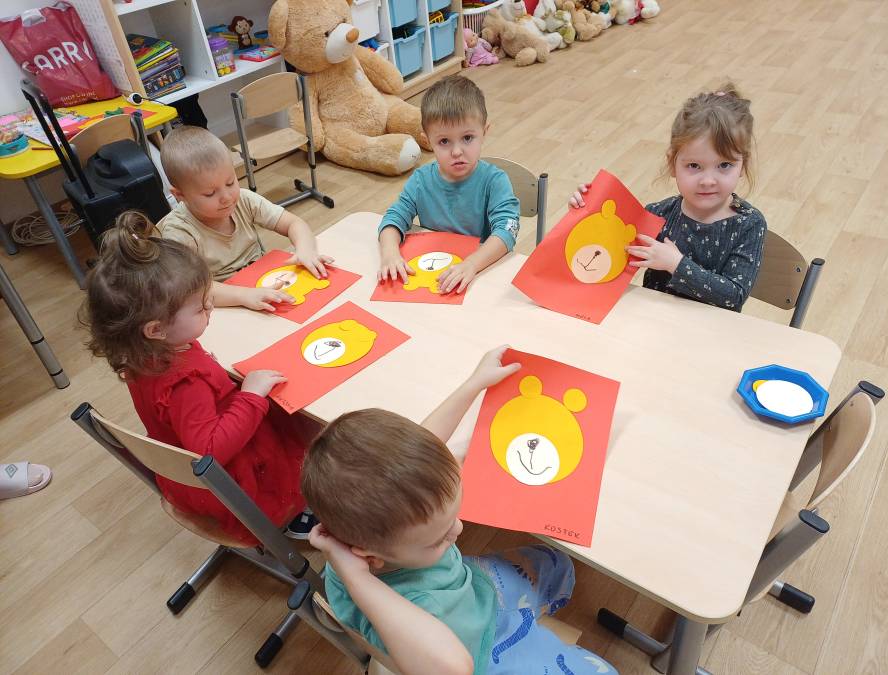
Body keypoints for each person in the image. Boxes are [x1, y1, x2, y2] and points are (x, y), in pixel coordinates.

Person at [302, 347, 618, 675]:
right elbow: (454, 668)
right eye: (438, 539)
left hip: (471, 593)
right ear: (369, 557)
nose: (459, 530)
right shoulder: (382, 600)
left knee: (558, 564)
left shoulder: (370, 531)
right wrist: (356, 578)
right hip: (478, 651)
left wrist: (474, 384)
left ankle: (526, 612)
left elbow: (425, 444)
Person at [81, 211, 316, 543]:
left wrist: (217, 377)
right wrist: (250, 396)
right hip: (238, 484)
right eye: (201, 308)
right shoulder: (184, 383)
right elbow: (210, 450)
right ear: (156, 329)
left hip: (193, 466)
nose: (211, 308)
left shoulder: (146, 353)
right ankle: (294, 514)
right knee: (308, 433)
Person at [570, 83, 766, 311]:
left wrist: (677, 264)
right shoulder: (658, 214)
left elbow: (734, 295)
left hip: (711, 330)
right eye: (694, 166)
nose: (708, 180)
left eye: (724, 165)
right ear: (672, 164)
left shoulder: (749, 224)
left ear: (743, 166)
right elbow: (604, 246)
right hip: (653, 322)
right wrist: (585, 209)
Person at [158, 125, 333, 311]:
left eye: (230, 182)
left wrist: (305, 250)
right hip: (223, 303)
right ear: (180, 195)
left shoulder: (244, 200)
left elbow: (294, 223)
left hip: (261, 283)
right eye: (210, 193)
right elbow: (192, 289)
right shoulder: (179, 232)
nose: (227, 197)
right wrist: (243, 295)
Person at [378, 75, 520, 295]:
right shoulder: (420, 180)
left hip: (479, 275)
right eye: (444, 141)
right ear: (428, 141)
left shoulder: (495, 181)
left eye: (467, 138)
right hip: (434, 275)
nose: (456, 152)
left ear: (484, 132)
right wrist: (390, 254)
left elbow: (507, 231)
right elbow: (393, 218)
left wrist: (471, 264)